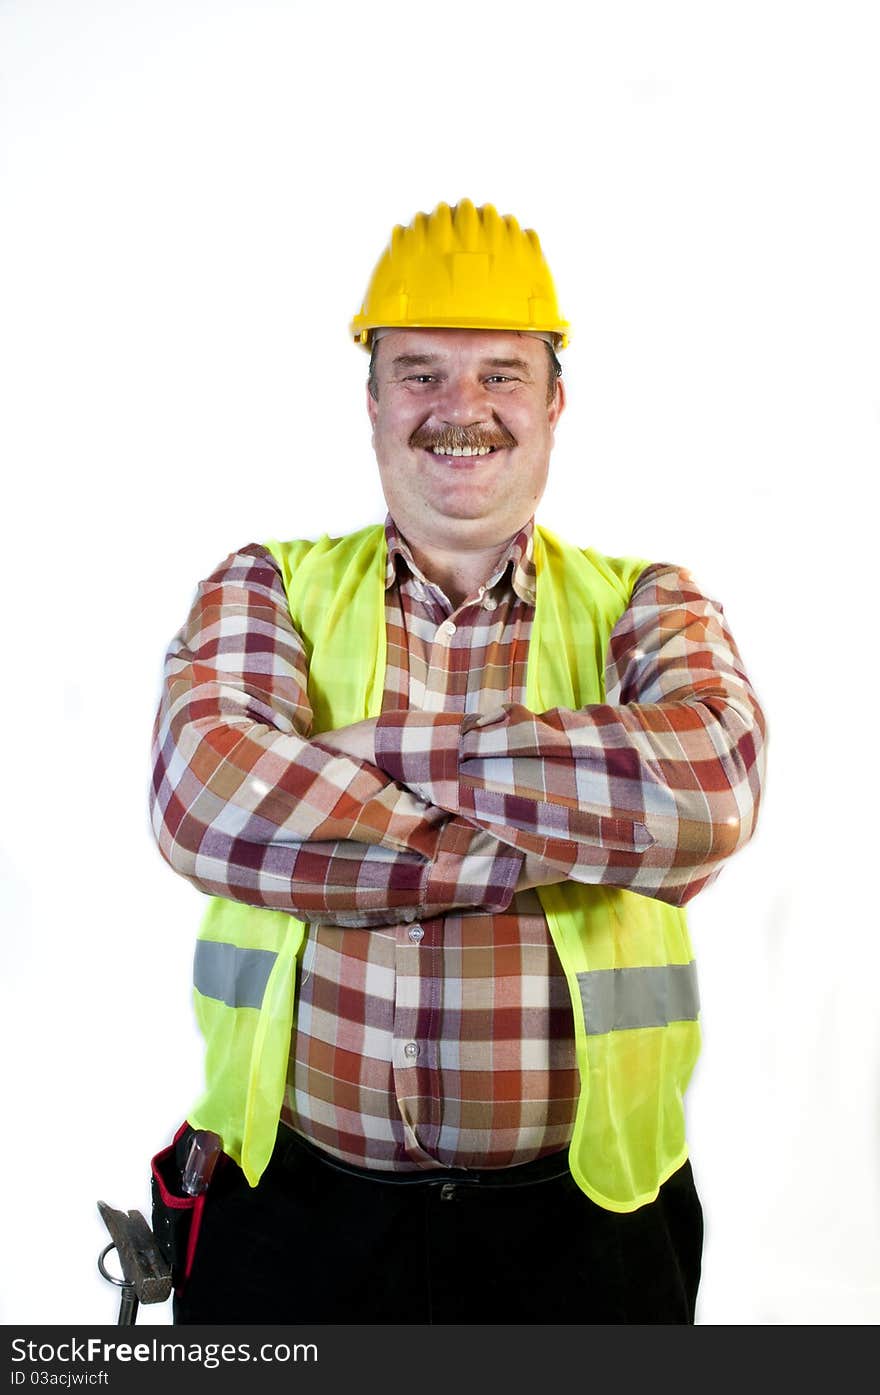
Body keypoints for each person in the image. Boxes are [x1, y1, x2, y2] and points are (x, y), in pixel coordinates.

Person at [148, 198, 767, 1325]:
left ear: (554, 401)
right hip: (291, 1207)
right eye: (421, 372)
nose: (461, 409)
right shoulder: (265, 585)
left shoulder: (648, 601)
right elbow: (206, 806)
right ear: (374, 399)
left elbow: (711, 791)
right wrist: (570, 840)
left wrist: (354, 770)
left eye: (501, 374)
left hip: (587, 1227)